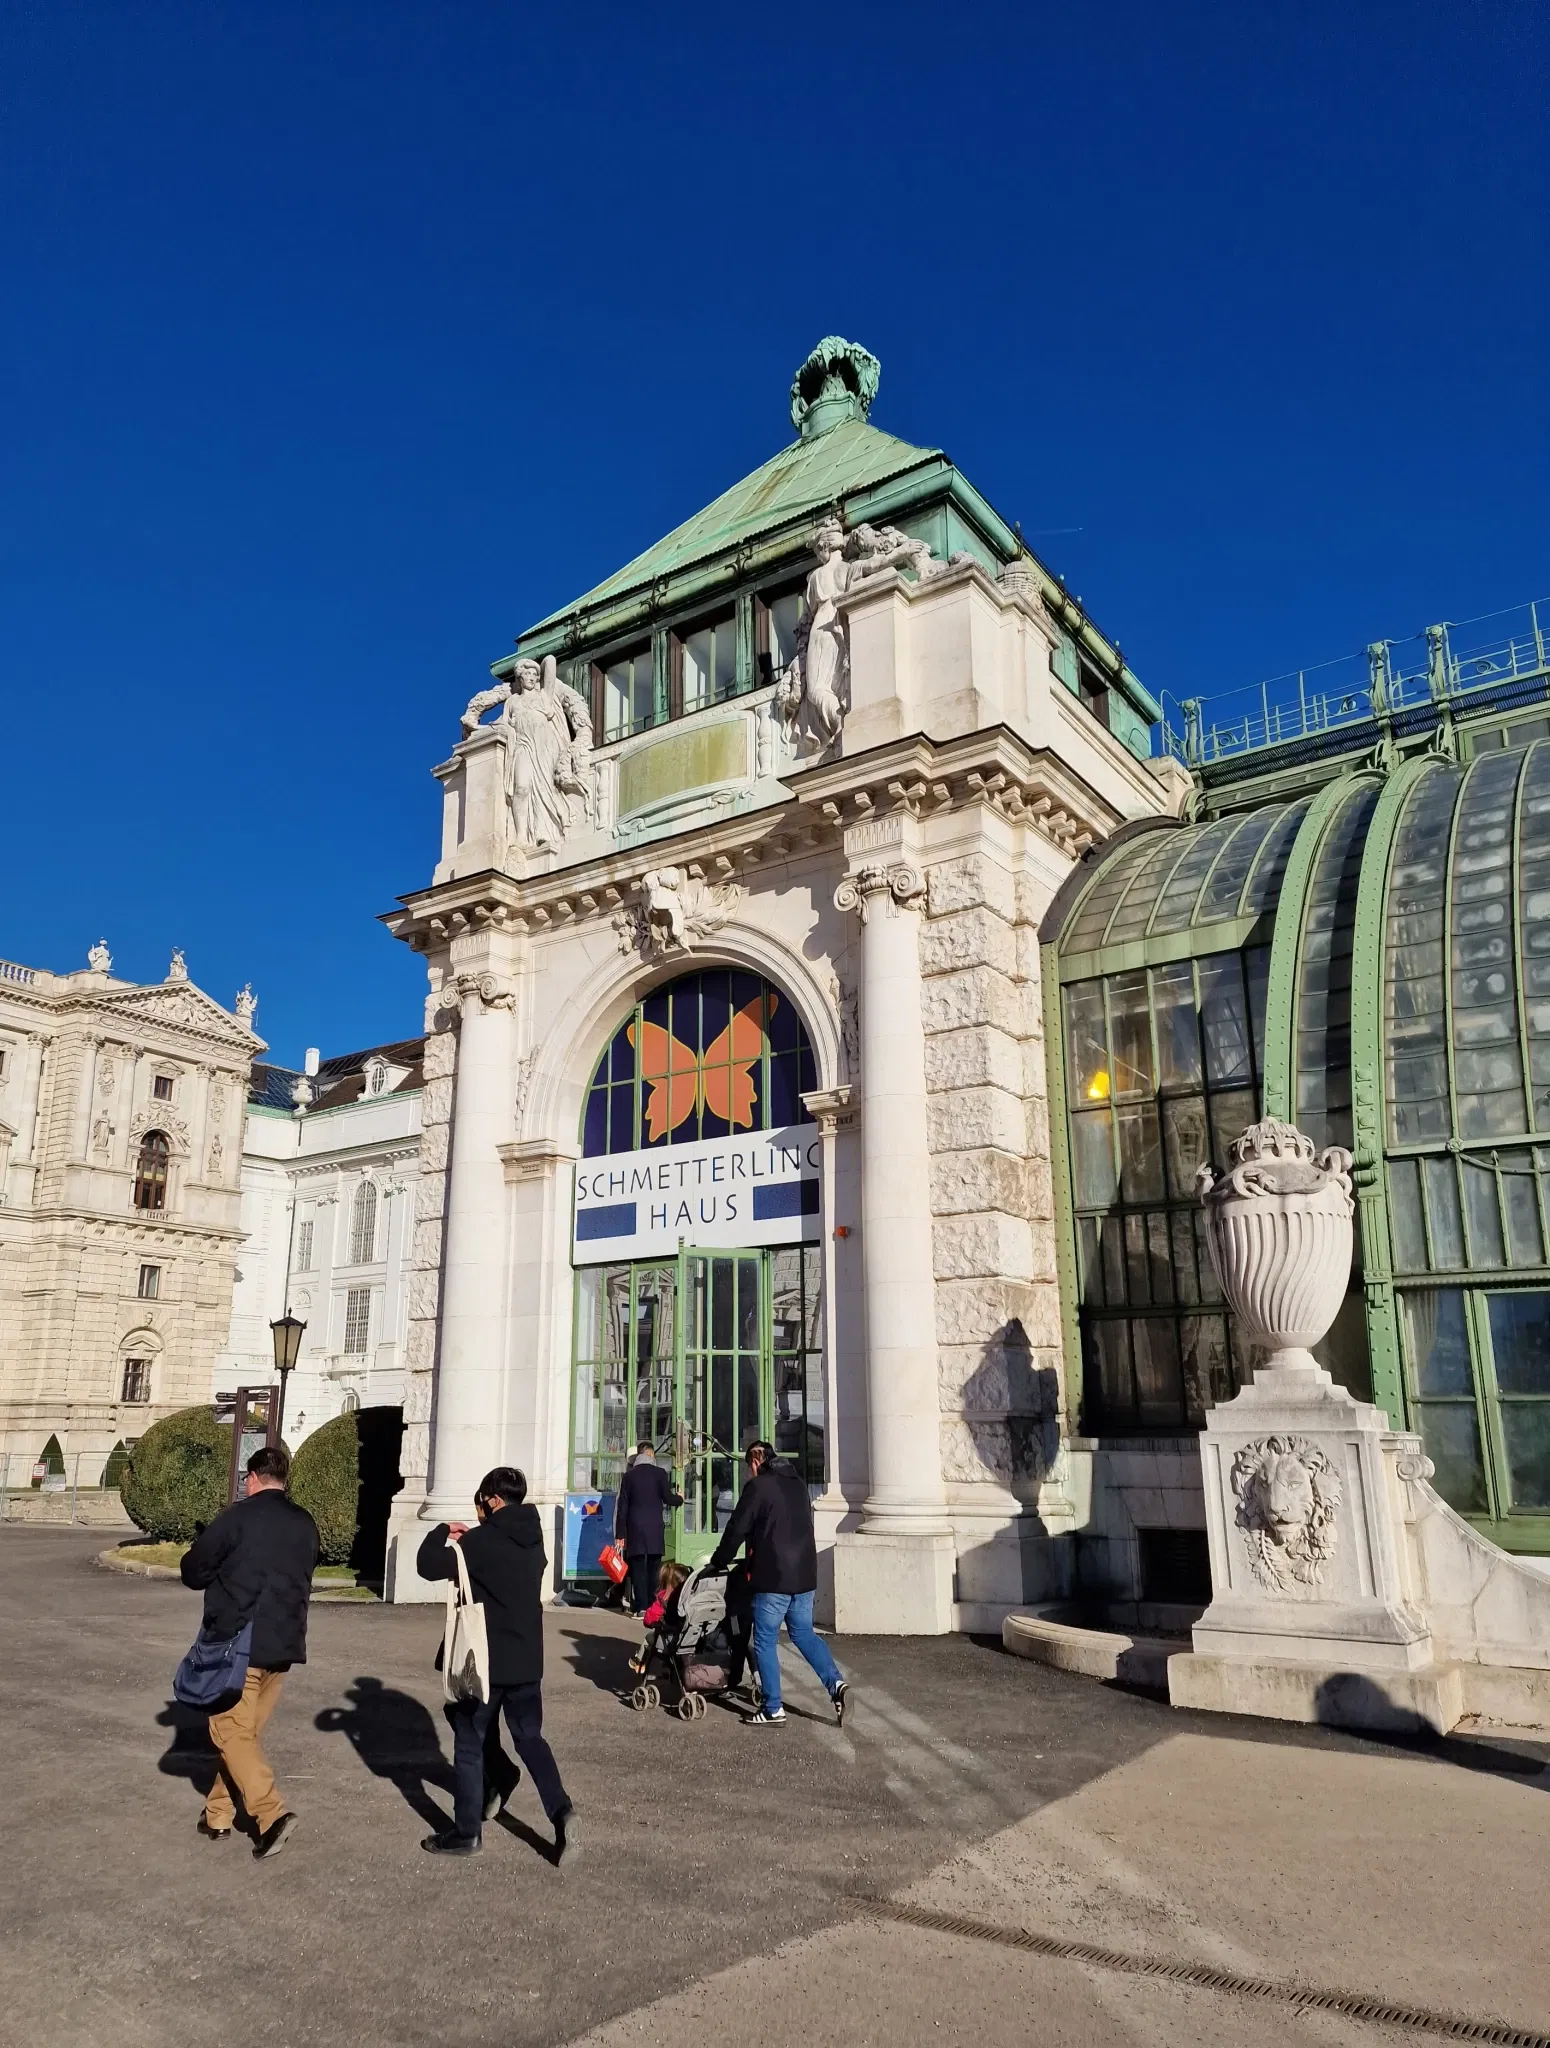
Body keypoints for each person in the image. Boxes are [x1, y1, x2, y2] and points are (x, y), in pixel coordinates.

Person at [416, 1466, 577, 1862]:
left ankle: (466, 1832)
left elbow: (427, 1565)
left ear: (492, 1500)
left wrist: (442, 1532)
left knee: (469, 1739)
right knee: (530, 1738)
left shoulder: (480, 1543)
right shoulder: (534, 1539)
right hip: (527, 1659)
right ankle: (562, 1812)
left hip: (484, 1661)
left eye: (480, 1505)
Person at [180, 1443, 320, 1858]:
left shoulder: (235, 1518)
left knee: (228, 1730)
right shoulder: (304, 1523)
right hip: (285, 1642)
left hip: (236, 1643)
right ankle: (219, 1813)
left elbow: (193, 1571)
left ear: (253, 1478)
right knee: (243, 1734)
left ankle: (270, 1814)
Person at [708, 1442, 849, 1729]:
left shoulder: (759, 1487)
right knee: (803, 1634)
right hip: (805, 1575)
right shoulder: (796, 1484)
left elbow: (737, 1527)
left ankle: (773, 1708)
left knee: (765, 1640)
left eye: (749, 1467)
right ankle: (837, 1685)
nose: (749, 1473)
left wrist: (718, 1560)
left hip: (773, 1577)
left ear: (755, 1462)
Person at [612, 1442, 682, 1618]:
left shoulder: (629, 1476)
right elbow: (667, 1498)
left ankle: (640, 1607)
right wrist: (679, 1499)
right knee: (653, 1567)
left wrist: (620, 1534)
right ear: (651, 1454)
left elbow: (622, 1507)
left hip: (634, 1528)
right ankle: (652, 1606)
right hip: (654, 1527)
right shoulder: (659, 1473)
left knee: (637, 1569)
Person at [629, 1559, 690, 1675]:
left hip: (670, 1639)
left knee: (649, 1638)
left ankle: (639, 1662)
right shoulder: (690, 1599)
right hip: (690, 1638)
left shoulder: (664, 1599)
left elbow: (648, 1619)